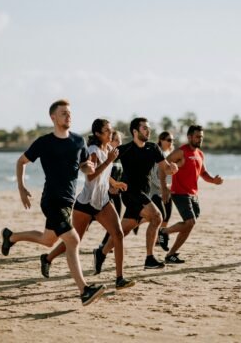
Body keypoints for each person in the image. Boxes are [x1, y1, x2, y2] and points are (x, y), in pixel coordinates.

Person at [1, 99, 106, 306]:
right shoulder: (44, 142)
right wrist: (21, 188)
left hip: (68, 201)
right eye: (64, 113)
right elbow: (21, 161)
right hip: (51, 200)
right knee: (73, 240)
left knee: (48, 240)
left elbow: (84, 166)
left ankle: (11, 236)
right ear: (53, 117)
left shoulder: (78, 141)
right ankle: (84, 290)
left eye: (69, 113)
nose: (68, 116)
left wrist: (89, 168)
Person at [40, 119, 135, 290]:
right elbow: (91, 176)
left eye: (110, 129)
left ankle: (119, 278)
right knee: (75, 240)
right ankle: (47, 259)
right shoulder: (93, 151)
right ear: (98, 133)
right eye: (106, 130)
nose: (110, 132)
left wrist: (115, 184)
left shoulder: (108, 150)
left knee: (118, 234)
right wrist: (109, 161)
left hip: (102, 202)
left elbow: (103, 175)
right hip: (85, 204)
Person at [93, 117, 178, 274]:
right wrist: (113, 183)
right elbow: (103, 166)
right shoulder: (125, 149)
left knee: (122, 231)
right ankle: (149, 258)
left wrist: (172, 168)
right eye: (145, 128)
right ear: (135, 131)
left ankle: (101, 253)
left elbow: (165, 168)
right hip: (130, 193)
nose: (148, 130)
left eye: (148, 128)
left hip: (143, 193)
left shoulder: (153, 148)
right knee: (157, 217)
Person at [158, 125, 224, 264]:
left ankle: (171, 255)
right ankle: (164, 232)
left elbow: (203, 173)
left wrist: (214, 180)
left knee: (189, 225)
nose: (200, 139)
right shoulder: (180, 152)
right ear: (189, 137)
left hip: (193, 194)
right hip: (179, 192)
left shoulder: (200, 153)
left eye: (201, 137)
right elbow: (162, 167)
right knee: (190, 222)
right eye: (197, 136)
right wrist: (164, 188)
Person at [150, 131, 174, 251]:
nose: (171, 142)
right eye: (169, 140)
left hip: (169, 189)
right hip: (156, 191)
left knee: (167, 216)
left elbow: (171, 174)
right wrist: (163, 187)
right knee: (160, 216)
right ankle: (158, 238)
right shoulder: (157, 154)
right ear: (161, 140)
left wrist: (171, 186)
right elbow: (153, 175)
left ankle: (161, 237)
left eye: (172, 140)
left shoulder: (170, 153)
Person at [99, 130, 123, 248]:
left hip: (116, 194)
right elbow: (102, 173)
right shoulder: (107, 156)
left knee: (116, 220)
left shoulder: (120, 157)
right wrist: (110, 186)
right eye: (117, 140)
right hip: (105, 193)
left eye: (120, 140)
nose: (120, 142)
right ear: (110, 142)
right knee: (87, 221)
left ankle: (105, 244)